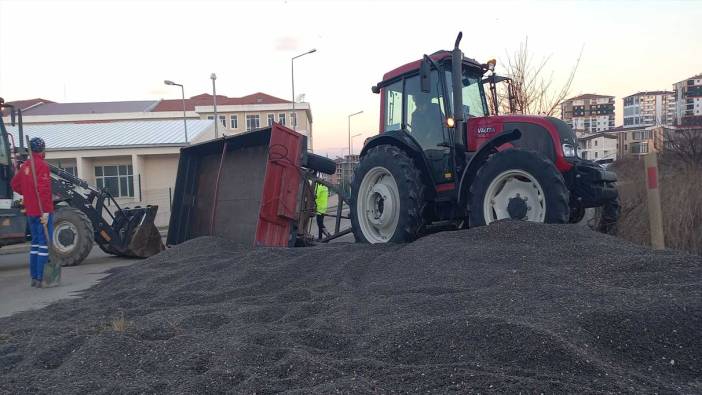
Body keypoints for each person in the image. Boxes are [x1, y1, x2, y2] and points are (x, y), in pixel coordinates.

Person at [11, 137, 54, 288]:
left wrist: (27, 193)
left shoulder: (25, 166)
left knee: (35, 243)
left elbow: (15, 184)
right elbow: (44, 190)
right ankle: (42, 277)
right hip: (42, 210)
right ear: (42, 149)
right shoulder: (42, 166)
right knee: (43, 245)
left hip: (30, 211)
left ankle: (34, 278)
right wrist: (47, 211)